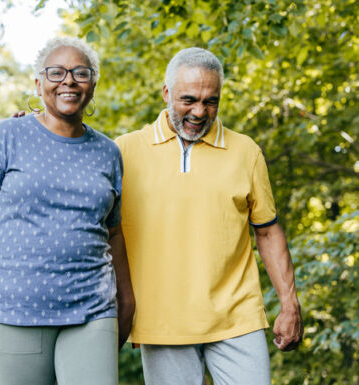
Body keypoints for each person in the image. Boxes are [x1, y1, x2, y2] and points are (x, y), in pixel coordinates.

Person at [0, 37, 135, 385]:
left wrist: (127, 301)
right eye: (56, 72)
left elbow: (113, 232)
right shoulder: (6, 136)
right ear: (38, 83)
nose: (69, 81)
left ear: (92, 84)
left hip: (92, 309)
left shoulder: (108, 152)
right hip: (16, 310)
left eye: (80, 73)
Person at [115, 47, 303, 385]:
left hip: (237, 318)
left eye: (211, 101)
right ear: (166, 93)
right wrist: (37, 130)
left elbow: (268, 232)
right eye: (189, 100)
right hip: (162, 323)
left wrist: (289, 304)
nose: (200, 112)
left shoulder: (245, 152)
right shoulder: (124, 151)